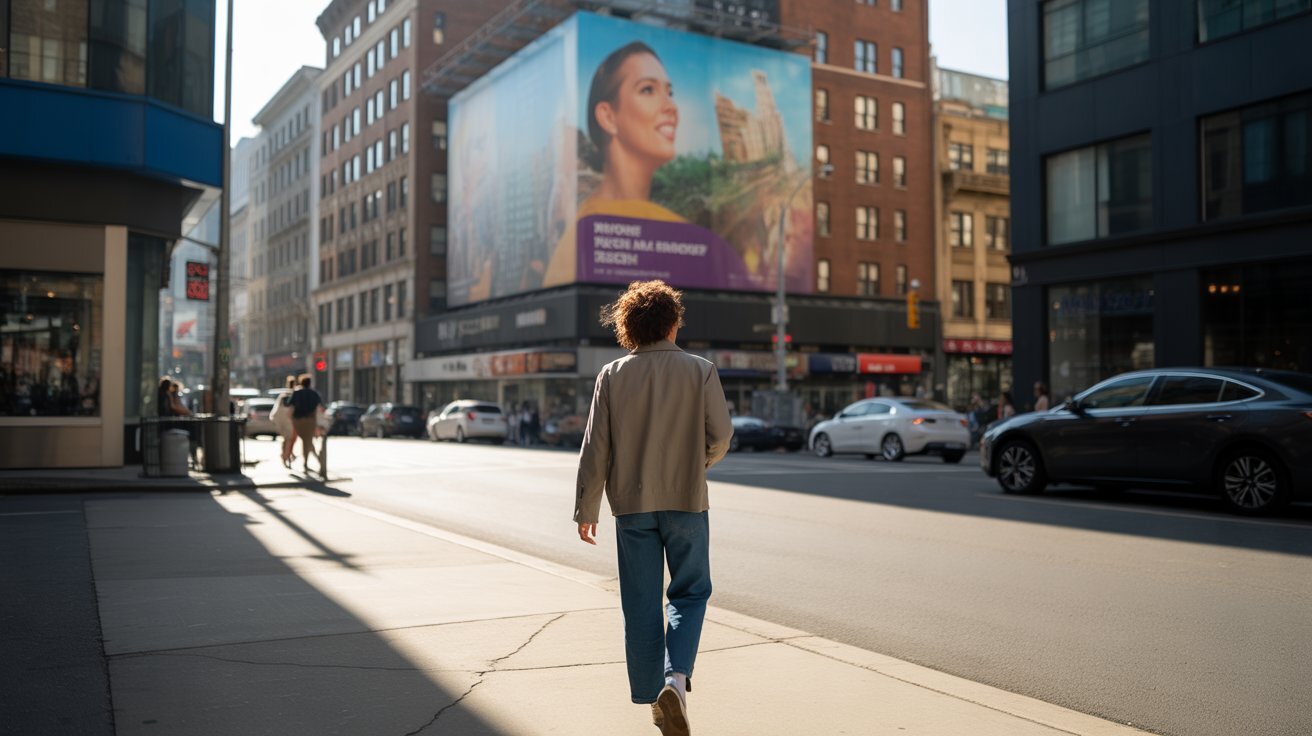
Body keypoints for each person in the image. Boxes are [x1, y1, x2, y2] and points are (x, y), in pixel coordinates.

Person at [574, 280, 733, 736]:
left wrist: (587, 509)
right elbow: (720, 436)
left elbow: (595, 449)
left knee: (640, 603)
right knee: (689, 592)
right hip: (686, 500)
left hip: (632, 507)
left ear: (629, 327)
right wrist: (697, 462)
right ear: (672, 322)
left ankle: (652, 697)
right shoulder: (700, 370)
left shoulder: (611, 374)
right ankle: (675, 683)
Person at [543, 42, 685, 287]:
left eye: (669, 92)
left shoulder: (675, 230)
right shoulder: (582, 236)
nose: (670, 107)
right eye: (648, 90)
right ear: (608, 117)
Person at [285, 374, 324, 476]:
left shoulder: (296, 393)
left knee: (305, 441)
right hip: (310, 420)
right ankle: (314, 461)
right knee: (308, 442)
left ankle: (310, 462)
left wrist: (291, 420)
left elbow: (290, 408)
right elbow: (317, 410)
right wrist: (316, 424)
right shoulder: (314, 394)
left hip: (298, 421)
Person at [271, 375, 297, 468]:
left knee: (286, 439)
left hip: (282, 419)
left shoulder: (283, 394)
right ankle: (286, 456)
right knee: (290, 439)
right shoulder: (294, 394)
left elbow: (277, 408)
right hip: (290, 419)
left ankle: (286, 455)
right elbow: (293, 409)